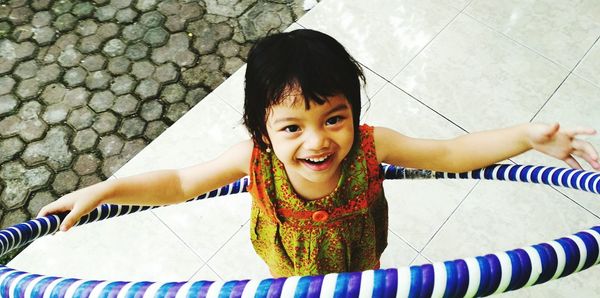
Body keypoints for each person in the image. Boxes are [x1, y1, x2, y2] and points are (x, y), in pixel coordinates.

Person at [39, 29, 600, 277]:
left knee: (365, 281)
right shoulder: (251, 160)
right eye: (292, 127)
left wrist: (528, 137)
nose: (317, 142)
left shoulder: (375, 147)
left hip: (359, 256)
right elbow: (182, 183)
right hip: (287, 264)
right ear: (261, 130)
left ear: (354, 114)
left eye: (335, 119)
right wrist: (104, 189)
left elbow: (453, 152)